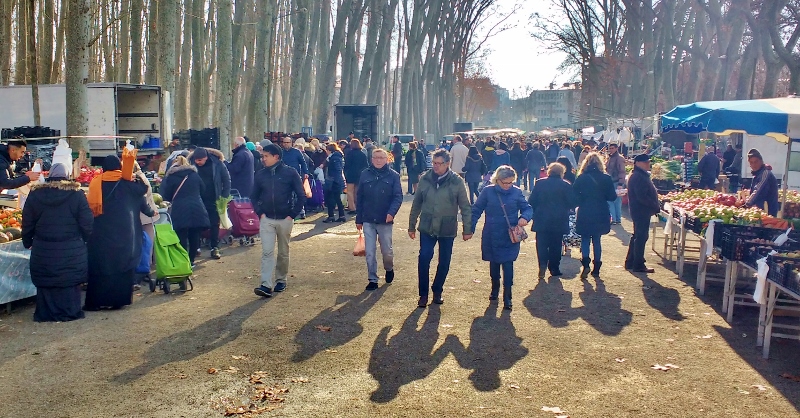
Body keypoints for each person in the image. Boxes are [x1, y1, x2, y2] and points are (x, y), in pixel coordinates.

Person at [21, 163, 93, 322]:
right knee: (69, 279)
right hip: (71, 248)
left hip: (43, 248)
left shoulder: (36, 195)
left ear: (49, 176)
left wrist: (27, 241)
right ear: (67, 176)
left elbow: (27, 221)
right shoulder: (77, 194)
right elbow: (87, 223)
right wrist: (86, 240)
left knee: (47, 280)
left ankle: (46, 313)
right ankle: (70, 311)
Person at [85, 155, 154, 310]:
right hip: (126, 232)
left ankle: (96, 302)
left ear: (104, 167)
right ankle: (119, 300)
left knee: (100, 265)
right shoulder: (129, 183)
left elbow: (88, 207)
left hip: (101, 232)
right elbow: (144, 193)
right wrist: (135, 176)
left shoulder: (96, 183)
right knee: (122, 266)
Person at [409, 149, 473, 308]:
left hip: (447, 226)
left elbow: (465, 207)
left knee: (444, 261)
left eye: (439, 164)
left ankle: (437, 290)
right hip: (427, 225)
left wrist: (467, 229)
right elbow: (417, 203)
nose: (435, 166)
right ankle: (423, 294)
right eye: (434, 163)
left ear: (447, 164)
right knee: (424, 258)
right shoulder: (425, 178)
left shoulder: (457, 181)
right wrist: (411, 225)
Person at [470, 166, 532, 310]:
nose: (508, 186)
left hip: (509, 234)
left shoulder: (516, 192)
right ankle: (495, 289)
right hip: (491, 232)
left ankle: (508, 296)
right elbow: (476, 209)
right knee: (494, 263)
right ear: (497, 180)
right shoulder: (487, 191)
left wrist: (524, 217)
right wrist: (470, 228)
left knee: (508, 264)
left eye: (510, 182)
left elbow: (527, 208)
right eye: (505, 183)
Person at [251, 143, 306, 298]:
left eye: (266, 156)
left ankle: (281, 280)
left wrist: (292, 214)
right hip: (266, 218)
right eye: (262, 156)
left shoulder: (290, 173)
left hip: (285, 218)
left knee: (283, 251)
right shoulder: (260, 174)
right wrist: (260, 212)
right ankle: (265, 284)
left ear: (276, 156)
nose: (263, 159)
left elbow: (301, 195)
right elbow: (253, 196)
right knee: (267, 252)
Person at [356, 149, 403, 291]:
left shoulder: (393, 176)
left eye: (381, 157)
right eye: (375, 157)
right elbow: (360, 198)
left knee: (386, 251)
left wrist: (391, 213)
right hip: (368, 219)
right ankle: (372, 279)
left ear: (387, 159)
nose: (378, 160)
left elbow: (398, 196)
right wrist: (359, 218)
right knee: (370, 252)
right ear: (371, 159)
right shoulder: (365, 174)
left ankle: (389, 268)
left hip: (385, 219)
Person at [573, 153, 617, 279]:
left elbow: (574, 195)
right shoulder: (606, 178)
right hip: (601, 211)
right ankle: (596, 267)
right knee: (597, 239)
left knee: (585, 238)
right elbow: (612, 197)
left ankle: (585, 263)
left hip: (585, 211)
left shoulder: (581, 178)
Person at [528, 162, 576, 279]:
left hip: (542, 217)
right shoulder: (565, 185)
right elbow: (572, 202)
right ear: (561, 173)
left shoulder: (540, 183)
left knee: (542, 244)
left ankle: (542, 264)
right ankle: (554, 268)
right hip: (559, 219)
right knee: (556, 244)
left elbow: (531, 201)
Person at [160, 156, 209, 267]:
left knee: (181, 235)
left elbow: (166, 195)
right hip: (197, 207)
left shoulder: (171, 177)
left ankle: (183, 260)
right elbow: (203, 189)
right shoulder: (194, 175)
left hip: (179, 209)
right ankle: (191, 261)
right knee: (194, 235)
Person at [190, 147, 231, 259]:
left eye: (200, 160)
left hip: (213, 198)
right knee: (197, 224)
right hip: (196, 199)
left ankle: (214, 247)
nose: (198, 163)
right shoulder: (190, 163)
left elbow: (226, 180)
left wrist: (224, 196)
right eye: (196, 160)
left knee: (214, 224)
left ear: (206, 158)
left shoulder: (217, 164)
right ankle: (196, 247)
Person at [625, 154, 660, 273]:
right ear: (638, 163)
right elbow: (642, 197)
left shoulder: (638, 175)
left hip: (639, 210)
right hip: (641, 210)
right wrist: (654, 205)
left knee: (637, 236)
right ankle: (638, 264)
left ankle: (631, 261)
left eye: (648, 162)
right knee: (641, 237)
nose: (648, 164)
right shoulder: (639, 176)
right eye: (645, 162)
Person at [738, 148, 779, 216]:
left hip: (768, 211)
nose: (754, 165)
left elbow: (758, 189)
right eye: (751, 162)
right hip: (760, 210)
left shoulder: (765, 173)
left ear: (761, 161)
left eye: (756, 162)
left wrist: (747, 204)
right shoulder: (757, 173)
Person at [279, 137, 309, 219]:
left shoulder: (297, 152)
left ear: (291, 143)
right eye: (284, 142)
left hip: (296, 176)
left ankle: (301, 211)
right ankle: (289, 211)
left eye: (287, 142)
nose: (285, 144)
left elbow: (303, 163)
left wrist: (306, 172)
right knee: (287, 195)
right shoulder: (281, 153)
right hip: (284, 176)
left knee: (299, 194)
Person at [322, 143, 347, 223]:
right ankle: (341, 216)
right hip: (337, 180)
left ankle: (331, 216)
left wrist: (335, 180)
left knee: (330, 199)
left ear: (329, 150)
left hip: (334, 181)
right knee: (337, 199)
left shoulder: (334, 158)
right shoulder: (338, 156)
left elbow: (337, 169)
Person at [345, 139, 369, 214]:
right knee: (357, 192)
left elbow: (346, 165)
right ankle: (358, 206)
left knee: (349, 192)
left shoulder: (349, 153)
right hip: (360, 175)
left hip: (350, 174)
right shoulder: (362, 154)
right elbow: (366, 165)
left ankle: (352, 208)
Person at [605, 143, 626, 225]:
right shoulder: (610, 157)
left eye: (612, 148)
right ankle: (616, 219)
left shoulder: (619, 158)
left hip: (616, 182)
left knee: (613, 201)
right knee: (614, 201)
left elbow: (622, 171)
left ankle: (615, 219)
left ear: (617, 148)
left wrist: (620, 183)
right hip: (611, 181)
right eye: (610, 148)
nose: (611, 149)